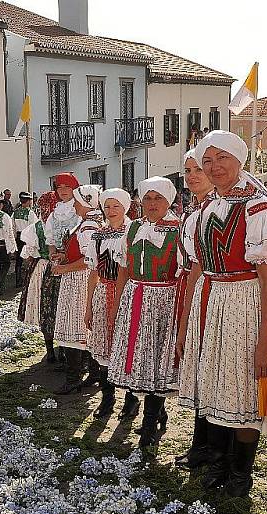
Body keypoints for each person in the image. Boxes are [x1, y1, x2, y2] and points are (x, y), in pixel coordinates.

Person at [176, 130, 267, 497]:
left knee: (243, 392)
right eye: (207, 161)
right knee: (220, 386)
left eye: (221, 158)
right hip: (212, 301)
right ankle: (222, 463)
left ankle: (242, 475)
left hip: (245, 305)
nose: (214, 167)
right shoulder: (210, 205)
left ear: (240, 160)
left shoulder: (259, 210)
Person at [107, 177, 180, 451]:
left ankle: (148, 426)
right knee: (141, 359)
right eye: (147, 198)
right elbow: (124, 269)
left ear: (169, 200)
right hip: (135, 296)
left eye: (157, 198)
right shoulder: (134, 227)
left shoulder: (178, 229)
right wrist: (116, 306)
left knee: (156, 360)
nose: (151, 204)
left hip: (164, 300)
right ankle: (157, 413)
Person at [175, 149, 217, 470]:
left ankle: (211, 448)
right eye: (187, 170)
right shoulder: (193, 212)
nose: (191, 176)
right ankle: (200, 443)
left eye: (197, 169)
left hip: (217, 293)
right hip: (197, 289)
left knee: (211, 368)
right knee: (200, 368)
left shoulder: (217, 208)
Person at [52, 184, 103, 395]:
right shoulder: (89, 222)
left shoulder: (89, 226)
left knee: (76, 327)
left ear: (84, 202)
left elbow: (89, 260)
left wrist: (64, 267)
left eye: (76, 200)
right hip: (77, 277)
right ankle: (93, 373)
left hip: (79, 280)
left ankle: (74, 377)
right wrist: (65, 256)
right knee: (82, 328)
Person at [84, 188, 130, 417]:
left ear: (125, 207)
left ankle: (131, 401)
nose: (111, 211)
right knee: (103, 348)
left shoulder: (132, 232)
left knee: (127, 345)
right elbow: (93, 272)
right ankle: (107, 399)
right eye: (108, 206)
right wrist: (88, 305)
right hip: (103, 291)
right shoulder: (98, 235)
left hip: (127, 293)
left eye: (116, 206)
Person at [42, 175, 81, 364]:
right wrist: (52, 253)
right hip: (57, 263)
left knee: (73, 308)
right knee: (53, 307)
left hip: (75, 264)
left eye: (67, 187)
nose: (63, 190)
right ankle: (60, 347)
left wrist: (66, 256)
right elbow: (50, 239)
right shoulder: (54, 212)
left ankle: (77, 354)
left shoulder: (79, 210)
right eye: (60, 187)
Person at [12, 192, 39, 288]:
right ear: (28, 201)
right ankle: (28, 278)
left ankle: (18, 280)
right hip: (28, 236)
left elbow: (13, 227)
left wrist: (14, 238)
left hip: (19, 236)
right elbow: (35, 226)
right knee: (30, 256)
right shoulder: (30, 213)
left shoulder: (15, 212)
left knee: (19, 259)